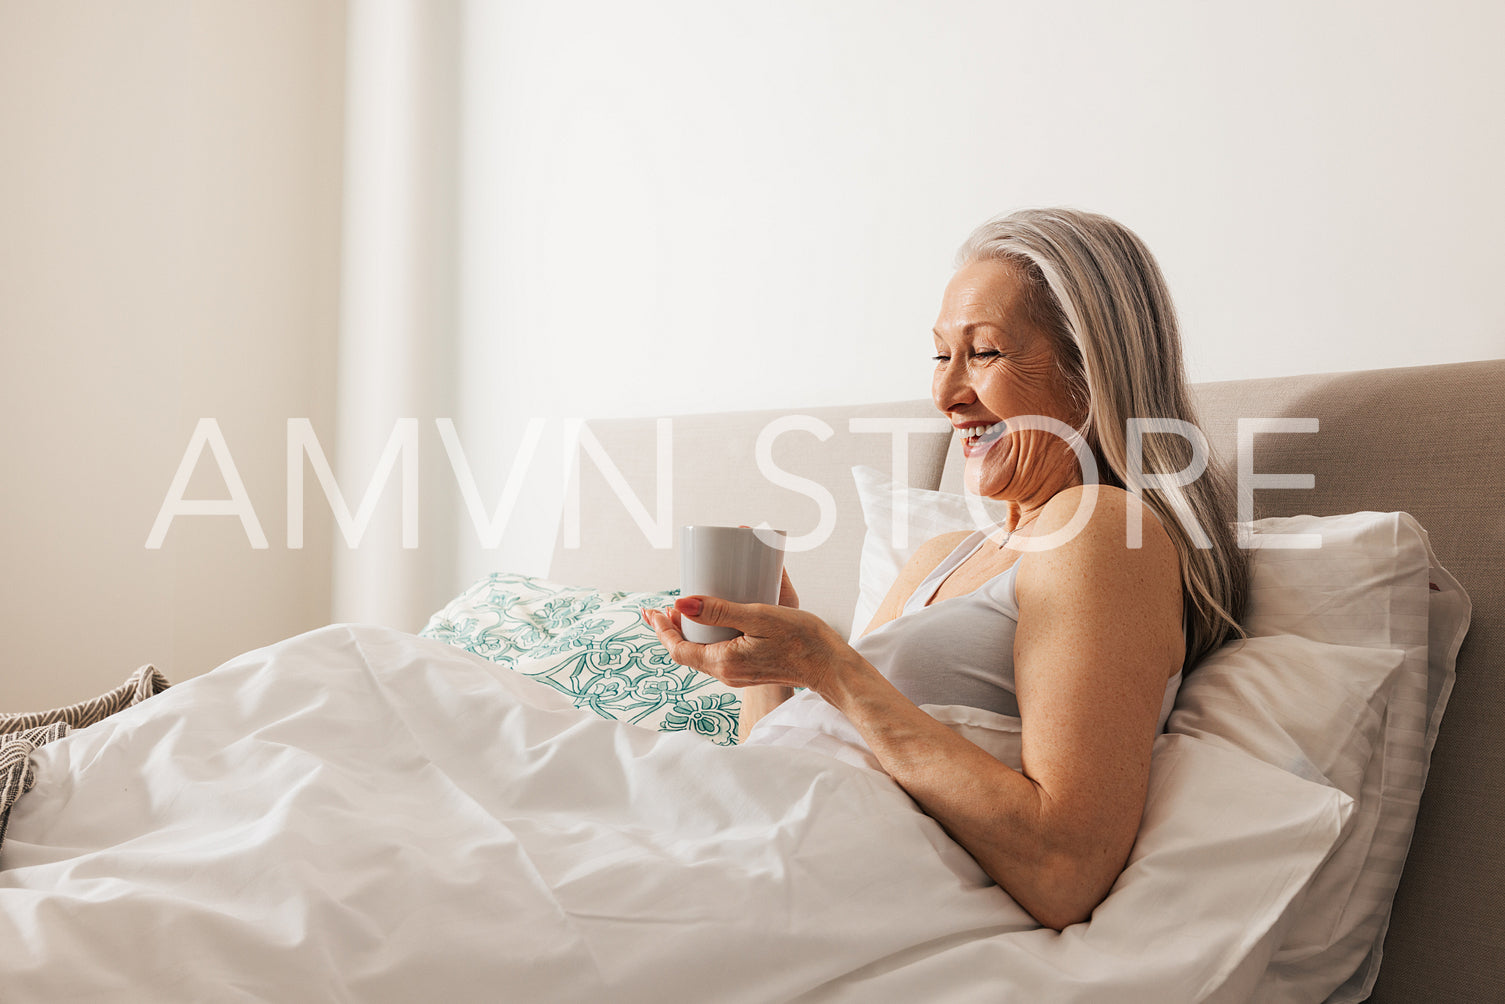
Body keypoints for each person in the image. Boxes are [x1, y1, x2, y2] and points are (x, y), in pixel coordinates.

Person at [642, 208, 1248, 932]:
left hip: (812, 889)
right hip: (751, 846)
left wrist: (828, 663)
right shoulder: (941, 558)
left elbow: (1065, 868)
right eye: (939, 356)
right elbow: (802, 771)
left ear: (1090, 373)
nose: (945, 395)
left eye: (984, 354)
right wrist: (770, 669)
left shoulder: (1099, 526)